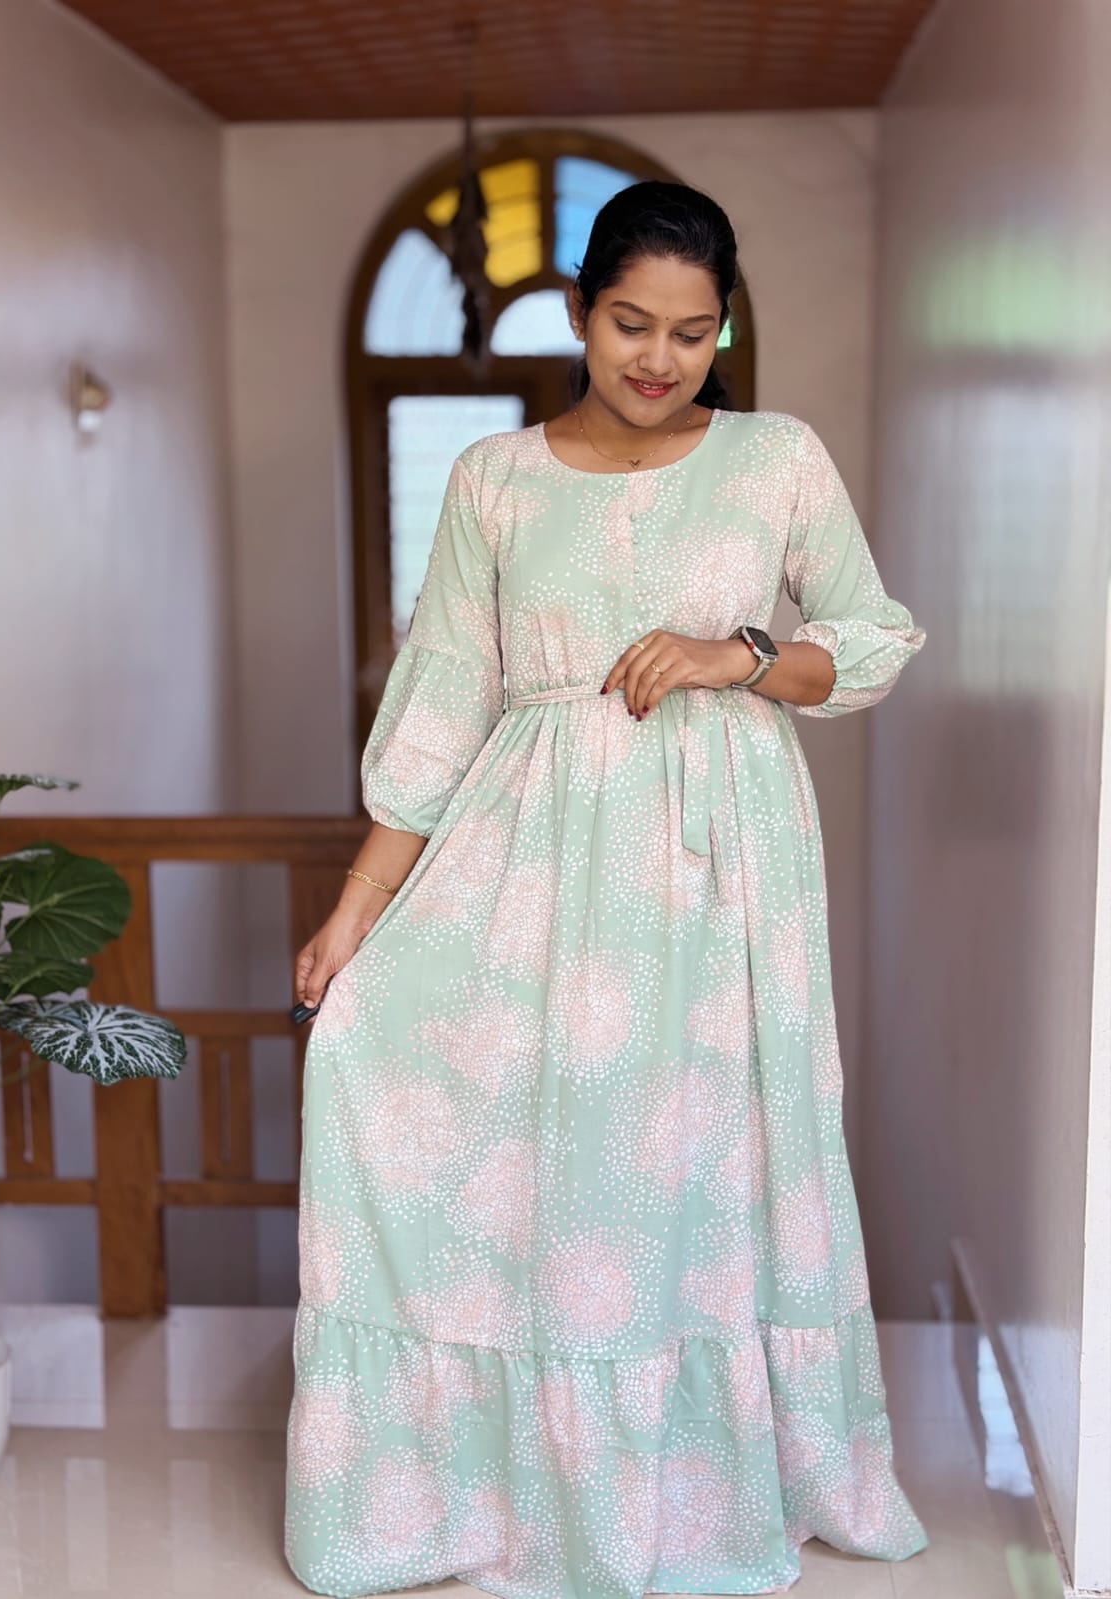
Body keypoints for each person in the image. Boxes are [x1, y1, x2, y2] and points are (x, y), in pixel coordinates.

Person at [285, 180, 929, 1599]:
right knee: (466, 1110)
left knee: (691, 1161)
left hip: (722, 871)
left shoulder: (776, 458)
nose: (660, 358)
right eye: (632, 323)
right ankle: (478, 1488)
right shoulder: (495, 480)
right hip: (530, 866)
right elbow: (444, 696)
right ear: (578, 311)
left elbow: (872, 639)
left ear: (724, 330)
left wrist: (735, 655)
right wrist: (359, 904)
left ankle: (690, 1494)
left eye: (693, 332)